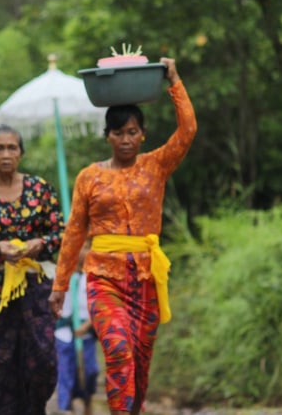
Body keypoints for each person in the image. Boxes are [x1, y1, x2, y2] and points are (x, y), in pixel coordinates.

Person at [48, 57, 197, 415]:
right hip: (104, 278)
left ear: (142, 135)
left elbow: (188, 130)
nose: (126, 139)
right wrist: (60, 285)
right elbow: (73, 234)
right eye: (118, 133)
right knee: (117, 350)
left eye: (132, 132)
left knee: (140, 367)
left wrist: (174, 81)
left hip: (146, 278)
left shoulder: (156, 165)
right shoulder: (90, 177)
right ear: (108, 136)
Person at [0, 124, 65, 415]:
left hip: (35, 286)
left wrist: (39, 242)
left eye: (12, 148)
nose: (6, 154)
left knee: (42, 357)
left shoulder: (40, 189)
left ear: (21, 153)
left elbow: (61, 234)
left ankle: (34, 409)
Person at [54, 238, 98, 415]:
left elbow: (100, 306)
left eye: (86, 247)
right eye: (79, 247)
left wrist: (87, 325)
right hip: (64, 332)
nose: (82, 251)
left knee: (90, 371)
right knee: (65, 372)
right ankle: (66, 407)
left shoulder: (95, 276)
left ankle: (88, 400)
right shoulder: (62, 274)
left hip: (85, 332)